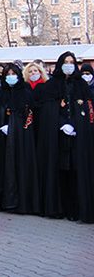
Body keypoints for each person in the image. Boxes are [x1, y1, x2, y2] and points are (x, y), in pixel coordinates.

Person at [36, 51, 94, 222]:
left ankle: (77, 208)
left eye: (71, 61)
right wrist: (62, 123)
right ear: (60, 64)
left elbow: (87, 107)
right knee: (60, 169)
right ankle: (59, 207)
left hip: (78, 135)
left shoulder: (81, 85)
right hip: (58, 135)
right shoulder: (52, 84)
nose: (68, 64)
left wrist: (76, 124)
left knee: (77, 170)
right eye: (65, 61)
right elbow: (47, 109)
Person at [0, 63, 40, 214]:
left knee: (18, 167)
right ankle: (2, 200)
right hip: (2, 138)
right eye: (8, 74)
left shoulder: (26, 93)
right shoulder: (0, 93)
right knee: (2, 167)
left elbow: (30, 115)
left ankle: (19, 201)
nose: (11, 77)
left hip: (21, 139)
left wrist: (15, 127)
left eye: (14, 74)